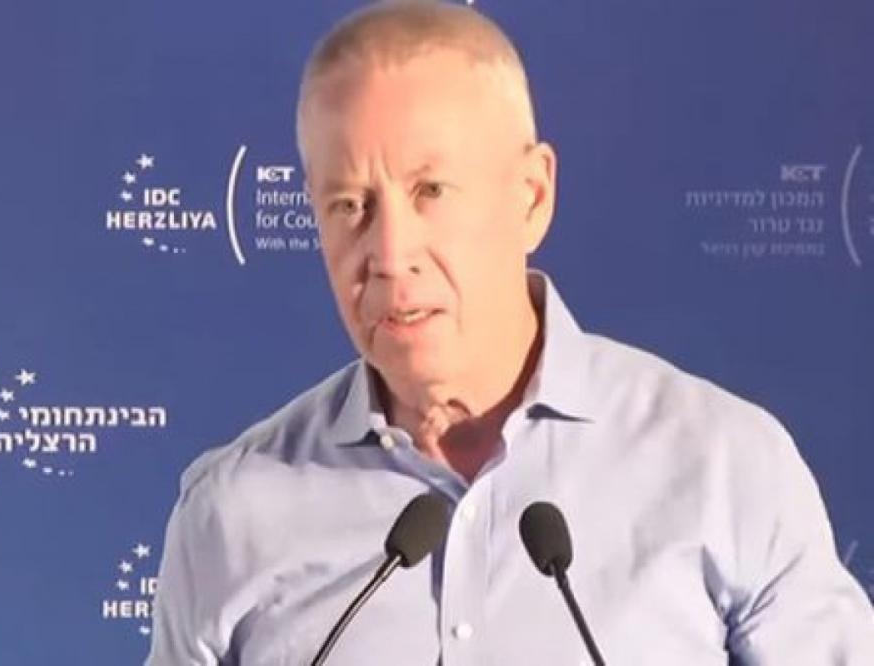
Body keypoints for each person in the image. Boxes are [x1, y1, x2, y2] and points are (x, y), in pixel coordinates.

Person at [146, 2, 874, 664]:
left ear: (532, 196)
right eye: (349, 205)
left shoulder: (724, 467)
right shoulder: (229, 514)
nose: (390, 255)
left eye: (430, 191)